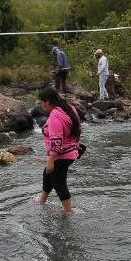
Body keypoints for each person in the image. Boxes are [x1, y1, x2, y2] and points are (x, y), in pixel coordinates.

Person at [36, 86, 80, 214]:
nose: (41, 105)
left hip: (61, 156)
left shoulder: (55, 115)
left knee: (59, 183)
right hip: (70, 152)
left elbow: (56, 144)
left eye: (41, 102)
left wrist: (50, 162)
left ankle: (68, 211)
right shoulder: (69, 108)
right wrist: (76, 142)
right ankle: (41, 201)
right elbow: (78, 127)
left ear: (48, 101)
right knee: (47, 175)